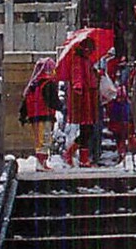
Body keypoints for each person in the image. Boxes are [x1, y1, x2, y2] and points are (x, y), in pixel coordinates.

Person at [56, 37, 101, 168]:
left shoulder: (86, 60)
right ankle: (72, 154)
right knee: (87, 128)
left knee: (88, 128)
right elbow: (77, 75)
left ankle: (81, 157)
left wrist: (96, 74)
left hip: (89, 95)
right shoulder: (78, 59)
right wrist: (78, 85)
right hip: (83, 97)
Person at [18, 56, 60, 169]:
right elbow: (52, 101)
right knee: (45, 139)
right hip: (45, 115)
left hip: (34, 116)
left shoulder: (33, 85)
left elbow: (25, 102)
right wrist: (62, 107)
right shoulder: (48, 83)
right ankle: (42, 163)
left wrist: (23, 116)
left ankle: (40, 162)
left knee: (38, 139)